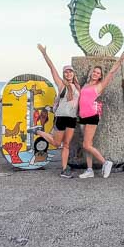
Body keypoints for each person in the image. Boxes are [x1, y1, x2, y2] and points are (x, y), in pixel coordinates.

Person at [77, 50, 124, 179]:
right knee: (87, 145)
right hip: (82, 116)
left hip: (91, 116)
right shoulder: (85, 84)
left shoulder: (99, 86)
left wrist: (121, 59)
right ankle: (89, 170)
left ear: (100, 76)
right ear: (91, 73)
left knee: (86, 145)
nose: (96, 74)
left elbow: (111, 72)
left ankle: (105, 162)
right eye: (94, 72)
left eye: (98, 73)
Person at [36, 44, 81, 177]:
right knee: (56, 143)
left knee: (66, 144)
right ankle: (38, 131)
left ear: (73, 73)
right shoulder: (61, 85)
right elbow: (52, 68)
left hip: (72, 119)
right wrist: (45, 54)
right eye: (66, 72)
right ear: (64, 74)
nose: (68, 73)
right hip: (61, 117)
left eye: (70, 71)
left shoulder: (78, 87)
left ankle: (64, 169)